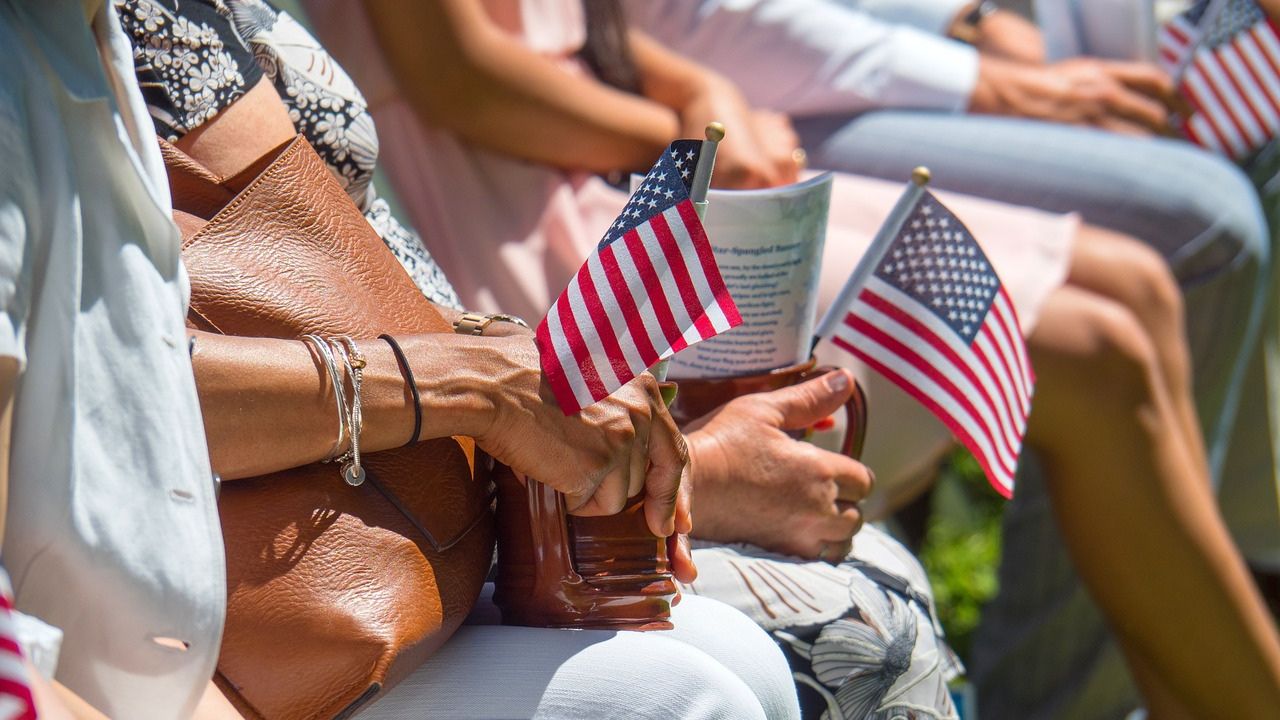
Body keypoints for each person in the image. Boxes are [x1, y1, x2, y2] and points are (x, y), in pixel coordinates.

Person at [298, 0, 1280, 716]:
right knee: (1093, 352)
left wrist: (689, 86)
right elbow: (458, 74)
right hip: (555, 247)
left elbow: (579, 26)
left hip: (614, 164)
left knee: (1134, 294)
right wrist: (679, 132)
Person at [3, 1, 801, 717]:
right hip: (260, 596)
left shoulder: (85, 34)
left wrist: (520, 369)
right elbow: (115, 380)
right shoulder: (34, 61)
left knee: (745, 665)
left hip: (436, 514)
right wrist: (479, 386)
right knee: (694, 696)